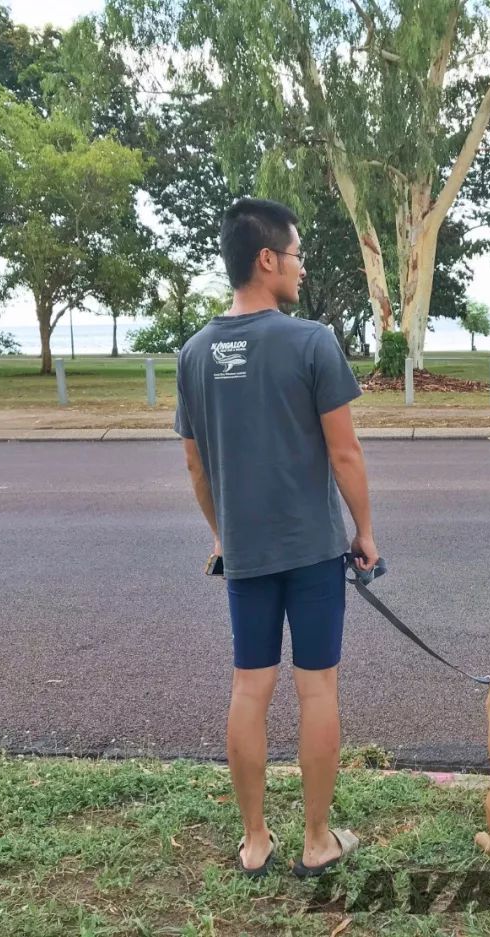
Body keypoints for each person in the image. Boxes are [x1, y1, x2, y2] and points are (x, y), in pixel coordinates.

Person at [175, 197, 379, 878]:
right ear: (266, 259)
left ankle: (256, 838)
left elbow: (196, 464)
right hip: (316, 550)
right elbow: (345, 454)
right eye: (296, 253)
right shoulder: (312, 340)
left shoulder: (194, 353)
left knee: (249, 687)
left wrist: (223, 534)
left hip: (248, 554)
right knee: (317, 689)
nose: (300, 265)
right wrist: (366, 531)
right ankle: (317, 839)